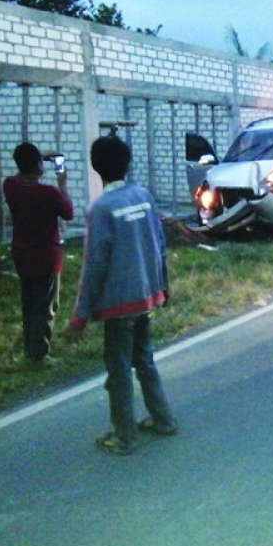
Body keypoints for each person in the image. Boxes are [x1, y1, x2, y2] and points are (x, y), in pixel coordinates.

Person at [65, 136, 177, 455]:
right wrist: (163, 288)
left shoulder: (101, 208)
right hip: (146, 297)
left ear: (96, 167)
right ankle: (163, 420)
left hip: (118, 305)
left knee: (118, 371)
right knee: (144, 360)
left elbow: (94, 265)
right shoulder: (143, 196)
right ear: (128, 163)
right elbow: (160, 245)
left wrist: (80, 316)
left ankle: (124, 436)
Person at [3, 143, 74, 369]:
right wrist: (62, 184)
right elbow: (69, 213)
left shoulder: (11, 186)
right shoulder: (49, 193)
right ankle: (39, 355)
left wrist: (37, 159)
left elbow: (20, 172)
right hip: (46, 257)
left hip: (22, 255)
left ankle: (29, 349)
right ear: (38, 165)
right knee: (45, 307)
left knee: (29, 303)